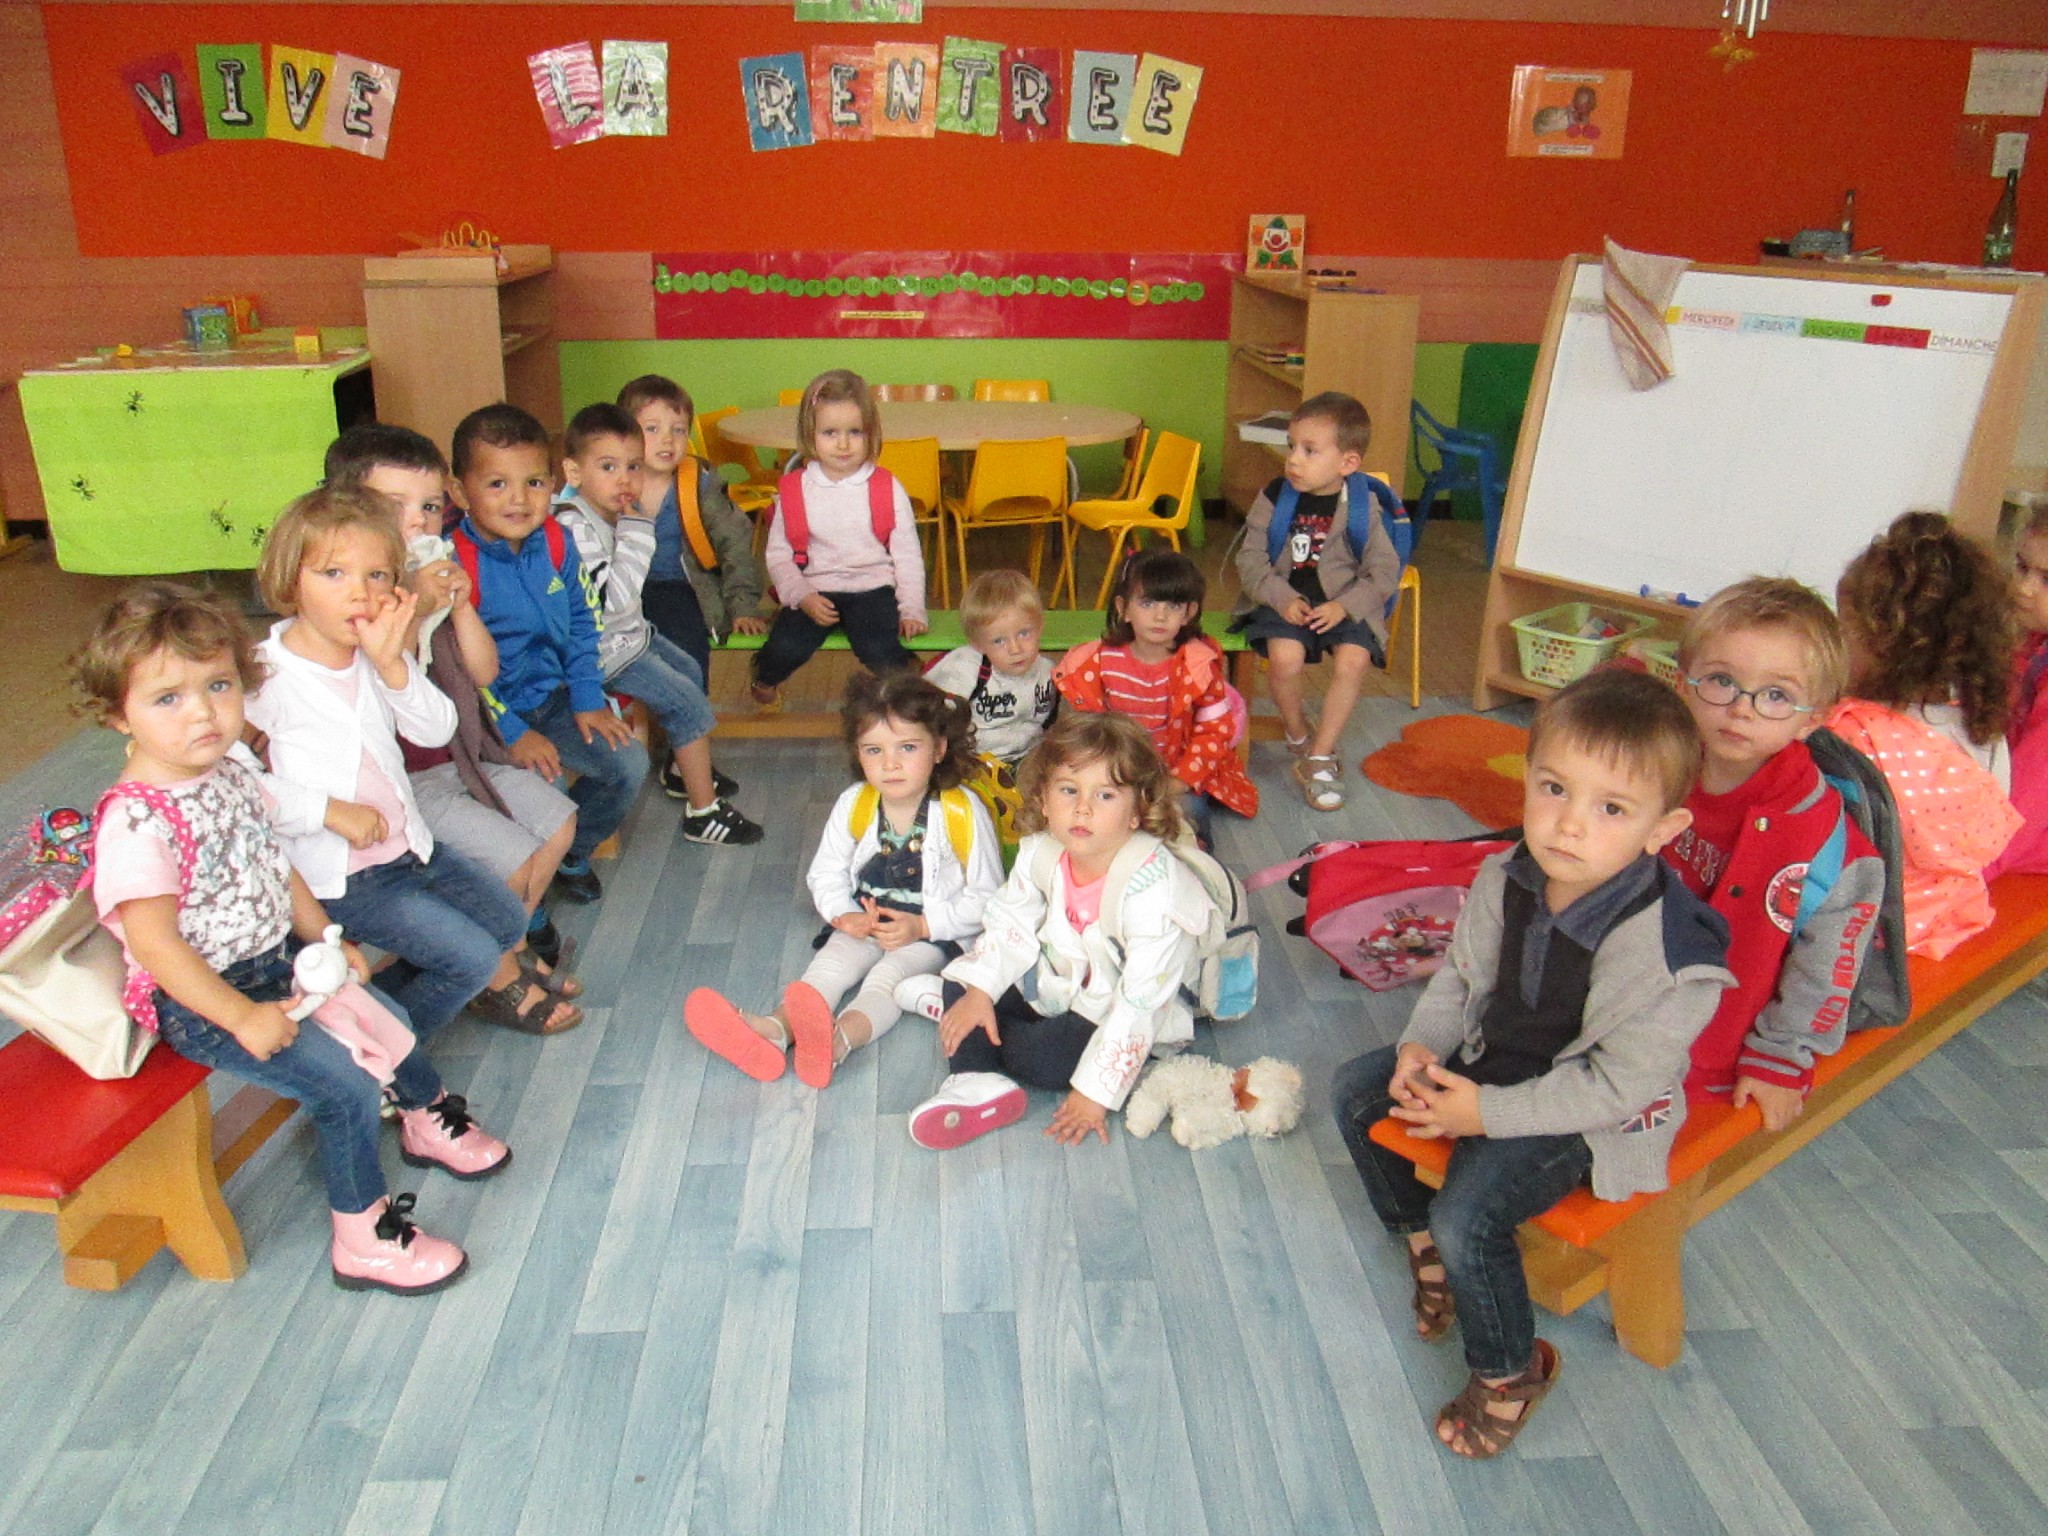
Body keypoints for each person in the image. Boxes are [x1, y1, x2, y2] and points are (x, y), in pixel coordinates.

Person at [1331, 669, 1732, 1458]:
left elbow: (1614, 1088)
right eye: (1554, 788)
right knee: (1356, 1094)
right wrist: (1421, 1046)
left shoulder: (1670, 953)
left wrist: (1482, 1114)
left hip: (1587, 1119)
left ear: (1663, 828)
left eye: (1611, 808)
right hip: (1493, 1067)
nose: (1569, 825)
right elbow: (1461, 978)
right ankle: (1423, 1243)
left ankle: (1511, 1370)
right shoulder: (1507, 874)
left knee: (1469, 1212)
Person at [80, 583, 509, 1295]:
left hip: (279, 961)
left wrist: (326, 936)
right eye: (168, 698)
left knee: (391, 1023)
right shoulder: (137, 823)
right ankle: (364, 1240)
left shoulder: (228, 774)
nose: (203, 713)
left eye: (218, 686)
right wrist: (241, 1016)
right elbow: (157, 947)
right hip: (207, 1001)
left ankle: (423, 1118)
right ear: (115, 713)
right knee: (343, 1088)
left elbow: (274, 866)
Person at [247, 487, 579, 1036]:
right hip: (343, 875)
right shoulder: (265, 675)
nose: (359, 592)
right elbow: (233, 783)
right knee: (473, 959)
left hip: (410, 848)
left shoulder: (373, 654)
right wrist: (326, 810)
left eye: (377, 575)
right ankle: (390, 1050)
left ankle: (362, 1006)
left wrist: (393, 665)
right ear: (289, 581)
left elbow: (435, 728)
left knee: (503, 922)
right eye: (334, 574)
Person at [322, 423, 582, 978]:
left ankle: (503, 954)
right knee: (515, 859)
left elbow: (483, 671)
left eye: (429, 505)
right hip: (400, 782)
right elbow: (384, 689)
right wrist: (414, 607)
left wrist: (459, 606)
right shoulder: (347, 605)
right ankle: (504, 974)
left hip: (460, 756)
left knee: (559, 823)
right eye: (395, 505)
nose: (417, 521)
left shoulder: (431, 574)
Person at [896, 712, 1211, 1151]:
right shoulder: (1041, 853)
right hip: (1057, 979)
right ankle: (972, 1080)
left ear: (1138, 811)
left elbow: (1141, 1001)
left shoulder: (1155, 891)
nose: (1083, 808)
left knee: (1045, 1063)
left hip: (1114, 1003)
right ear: (1044, 799)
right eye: (1068, 790)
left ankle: (972, 1036)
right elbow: (1009, 923)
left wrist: (1094, 1094)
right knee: (965, 981)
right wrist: (981, 991)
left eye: (1105, 795)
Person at [684, 672, 999, 1088]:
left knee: (888, 981)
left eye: (907, 747)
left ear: (939, 748)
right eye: (874, 749)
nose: (890, 763)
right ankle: (775, 1030)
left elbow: (989, 896)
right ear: (858, 752)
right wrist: (844, 915)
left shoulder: (961, 811)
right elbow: (825, 873)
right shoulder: (856, 803)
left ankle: (837, 1042)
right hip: (867, 919)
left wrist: (924, 925)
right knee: (827, 969)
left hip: (931, 936)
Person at [1660, 577, 1884, 1129]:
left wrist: (1781, 1056)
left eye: (1776, 695)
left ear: (1812, 719)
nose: (1742, 708)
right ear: (1683, 683)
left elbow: (1827, 965)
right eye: (1722, 681)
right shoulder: (1655, 768)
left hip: (1715, 1045)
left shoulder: (1821, 838)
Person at [447, 401, 641, 904]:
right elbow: (459, 674)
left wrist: (587, 697)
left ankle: (572, 854)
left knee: (628, 764)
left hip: (555, 698)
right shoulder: (455, 565)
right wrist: (512, 733)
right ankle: (527, 909)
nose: (519, 499)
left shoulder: (556, 541)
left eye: (534, 482)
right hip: (491, 718)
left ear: (553, 484)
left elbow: (584, 621)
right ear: (459, 491)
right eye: (497, 484)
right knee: (548, 799)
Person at [553, 402, 762, 846]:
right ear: (573, 471)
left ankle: (683, 771)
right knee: (688, 704)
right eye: (607, 467)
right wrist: (637, 531)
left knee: (688, 673)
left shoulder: (604, 513)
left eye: (632, 467)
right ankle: (703, 814)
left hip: (631, 639)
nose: (624, 479)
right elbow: (613, 603)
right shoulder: (573, 527)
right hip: (603, 654)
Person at [1828, 511, 2020, 956]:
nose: (1836, 641)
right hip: (1945, 923)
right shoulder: (1979, 723)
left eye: (1845, 628)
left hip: (1857, 934)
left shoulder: (1851, 731)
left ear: (1886, 642)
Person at [1230, 391, 1400, 811]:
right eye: (1292, 447)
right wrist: (1282, 597)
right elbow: (1250, 560)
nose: (1293, 460)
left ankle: (1320, 757)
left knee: (1353, 661)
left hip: (1345, 602)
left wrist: (1346, 606)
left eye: (1310, 451)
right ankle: (1298, 735)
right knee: (1284, 659)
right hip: (1284, 597)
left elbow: (1383, 569)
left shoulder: (1362, 504)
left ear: (1348, 462)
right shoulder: (1275, 496)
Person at [1053, 546, 1258, 846]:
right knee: (1090, 817)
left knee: (1191, 814)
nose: (1160, 616)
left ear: (1188, 613)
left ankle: (1195, 865)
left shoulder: (1198, 665)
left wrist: (1181, 780)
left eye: (1173, 605)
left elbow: (1215, 730)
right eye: (1148, 603)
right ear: (1123, 608)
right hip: (1115, 768)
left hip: (1176, 769)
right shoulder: (1096, 662)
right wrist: (1107, 775)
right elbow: (1084, 729)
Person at [751, 369, 927, 711]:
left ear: (871, 433)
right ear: (810, 434)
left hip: (872, 589)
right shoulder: (795, 489)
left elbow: (907, 556)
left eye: (855, 432)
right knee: (785, 647)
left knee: (877, 648)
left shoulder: (886, 486)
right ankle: (763, 679)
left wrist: (912, 609)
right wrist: (801, 595)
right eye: (830, 432)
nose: (843, 444)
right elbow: (778, 556)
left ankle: (909, 677)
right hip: (814, 590)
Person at [616, 373, 770, 681]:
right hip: (621, 588)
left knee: (687, 654)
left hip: (680, 586)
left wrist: (742, 606)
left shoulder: (699, 485)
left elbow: (735, 544)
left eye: (678, 430)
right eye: (652, 429)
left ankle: (690, 706)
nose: (667, 440)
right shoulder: (612, 483)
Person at [1993, 502, 2048, 878]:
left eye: (2047, 580)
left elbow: (2016, 822)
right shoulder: (2031, 645)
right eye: (2022, 567)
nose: (2023, 589)